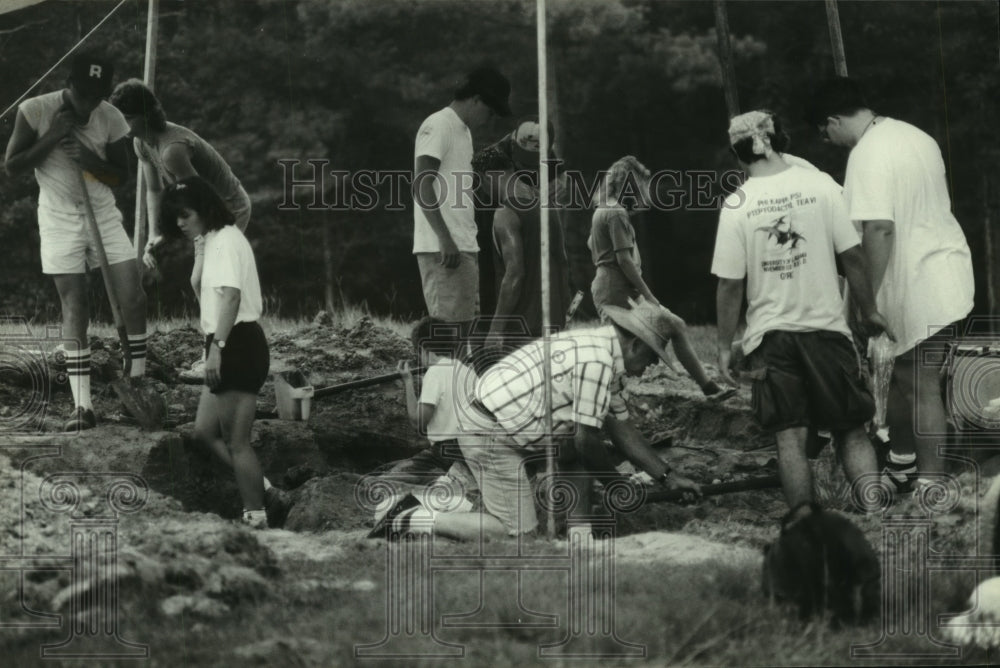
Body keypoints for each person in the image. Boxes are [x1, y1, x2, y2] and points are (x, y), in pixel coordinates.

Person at [382, 298, 703, 541]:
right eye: (651, 357)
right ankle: (412, 516)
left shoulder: (601, 351)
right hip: (488, 432)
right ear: (635, 345)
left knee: (573, 447)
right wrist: (618, 487)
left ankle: (581, 540)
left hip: (506, 425)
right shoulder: (597, 360)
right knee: (513, 535)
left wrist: (666, 476)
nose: (651, 367)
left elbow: (623, 432)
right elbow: (587, 440)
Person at [712, 110, 894, 511]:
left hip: (771, 339)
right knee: (850, 430)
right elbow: (854, 256)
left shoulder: (736, 204)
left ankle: (804, 525)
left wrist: (725, 345)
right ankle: (875, 513)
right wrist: (869, 310)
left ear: (737, 153)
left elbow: (729, 284)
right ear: (781, 141)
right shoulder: (821, 186)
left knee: (790, 437)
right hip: (826, 330)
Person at [806, 77, 975, 493]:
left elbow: (879, 229)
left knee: (920, 385)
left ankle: (932, 485)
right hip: (948, 267)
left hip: (918, 282)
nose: (827, 140)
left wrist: (868, 301)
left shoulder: (867, 153)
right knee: (902, 375)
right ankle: (902, 463)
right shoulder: (917, 136)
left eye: (824, 131)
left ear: (832, 120)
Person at [4, 53, 148, 431]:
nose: (89, 104)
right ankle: (82, 407)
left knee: (132, 296)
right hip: (58, 217)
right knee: (75, 304)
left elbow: (122, 177)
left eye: (96, 96)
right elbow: (13, 166)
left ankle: (138, 381)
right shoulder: (34, 110)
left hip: (102, 212)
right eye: (83, 94)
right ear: (68, 85)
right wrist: (52, 136)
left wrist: (88, 159)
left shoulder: (111, 118)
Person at [110, 78, 252, 376]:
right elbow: (153, 191)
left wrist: (176, 233)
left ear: (143, 116)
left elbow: (198, 199)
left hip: (227, 207)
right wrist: (154, 234)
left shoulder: (171, 151)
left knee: (207, 279)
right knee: (202, 280)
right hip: (203, 209)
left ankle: (220, 356)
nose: (118, 124)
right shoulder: (141, 143)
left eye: (125, 118)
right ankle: (219, 352)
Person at [159, 176, 272, 529]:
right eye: (174, 216)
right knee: (204, 432)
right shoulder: (214, 241)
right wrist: (199, 246)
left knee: (238, 443)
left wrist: (217, 350)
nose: (179, 222)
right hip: (224, 340)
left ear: (204, 209)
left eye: (185, 214)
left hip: (236, 343)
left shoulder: (225, 242)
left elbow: (231, 298)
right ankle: (266, 489)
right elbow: (199, 287)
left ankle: (256, 516)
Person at [589, 155, 734, 401]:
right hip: (615, 290)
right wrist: (648, 295)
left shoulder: (605, 209)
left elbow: (593, 245)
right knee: (620, 349)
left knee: (672, 325)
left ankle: (707, 386)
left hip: (613, 288)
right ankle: (602, 401)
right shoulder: (615, 213)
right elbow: (624, 260)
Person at [413, 65, 511, 338]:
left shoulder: (463, 132)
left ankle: (455, 381)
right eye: (490, 112)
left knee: (463, 334)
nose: (489, 120)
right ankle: (437, 381)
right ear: (476, 99)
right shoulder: (438, 124)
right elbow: (421, 184)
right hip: (444, 248)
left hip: (463, 245)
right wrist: (445, 239)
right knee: (446, 336)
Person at [471, 148, 571, 347]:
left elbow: (514, 274)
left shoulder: (505, 214)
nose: (482, 191)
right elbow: (562, 260)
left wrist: (495, 329)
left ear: (489, 177)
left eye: (480, 183)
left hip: (522, 330)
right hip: (555, 322)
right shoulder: (546, 205)